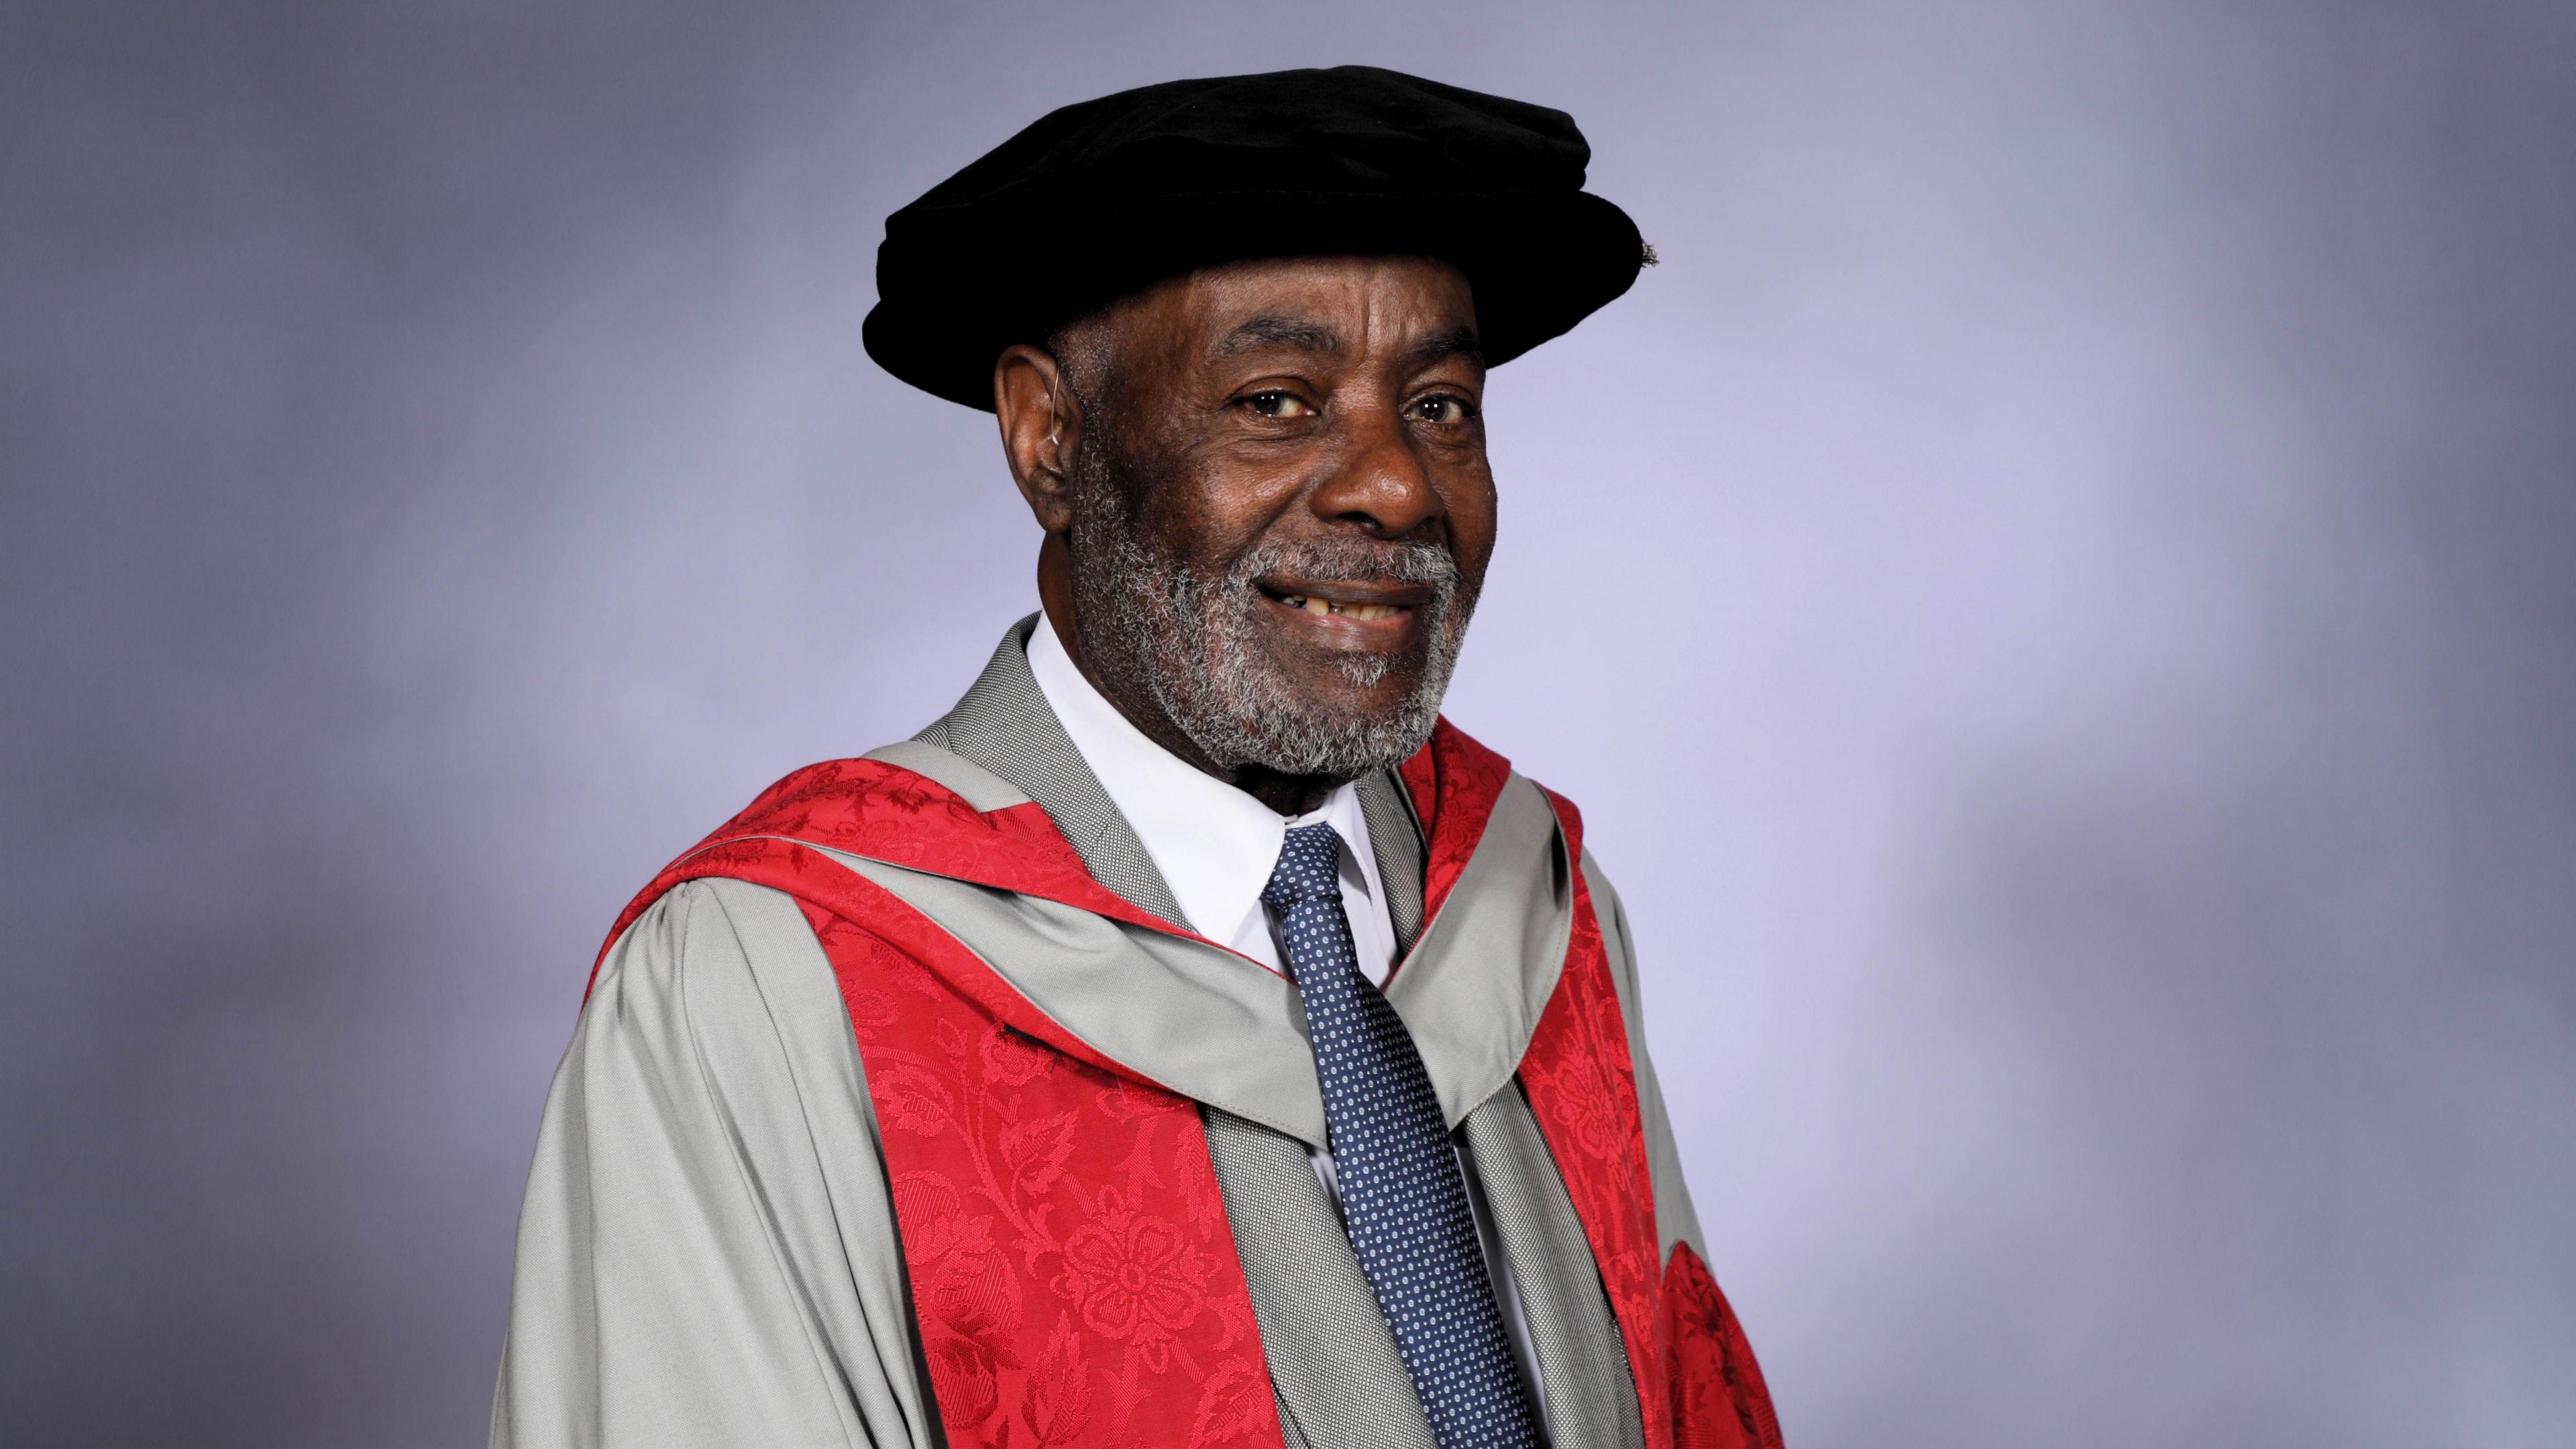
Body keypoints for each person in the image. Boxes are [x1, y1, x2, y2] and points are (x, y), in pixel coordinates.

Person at [490, 65, 1783, 1449]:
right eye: (1278, 401)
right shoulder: (768, 989)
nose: (1398, 486)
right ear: (1051, 440)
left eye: (1442, 405)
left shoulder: (1532, 906)